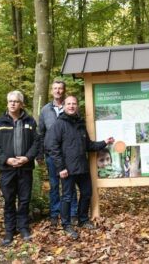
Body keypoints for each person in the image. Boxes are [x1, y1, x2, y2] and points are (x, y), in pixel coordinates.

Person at [45, 95, 114, 239]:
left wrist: (104, 142)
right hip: (67, 169)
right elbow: (51, 146)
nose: (71, 106)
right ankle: (66, 224)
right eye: (68, 104)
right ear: (64, 106)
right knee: (67, 197)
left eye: (74, 104)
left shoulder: (80, 124)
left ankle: (83, 220)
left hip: (82, 167)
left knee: (87, 193)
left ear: (77, 106)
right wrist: (60, 167)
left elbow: (88, 145)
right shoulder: (59, 124)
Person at [0, 90, 40, 246]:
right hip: (7, 169)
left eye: (16, 101)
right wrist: (6, 160)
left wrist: (27, 158)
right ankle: (10, 231)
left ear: (21, 104)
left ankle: (23, 228)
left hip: (25, 168)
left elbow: (37, 142)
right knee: (9, 200)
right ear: (7, 103)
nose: (12, 103)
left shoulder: (30, 121)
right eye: (10, 101)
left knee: (24, 200)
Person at [38, 79, 78, 227]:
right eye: (55, 88)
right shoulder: (45, 110)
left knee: (70, 185)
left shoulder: (70, 108)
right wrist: (40, 154)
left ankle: (72, 213)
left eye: (60, 88)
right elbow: (40, 133)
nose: (58, 91)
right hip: (51, 155)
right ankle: (55, 214)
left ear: (64, 90)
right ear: (51, 91)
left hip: (69, 155)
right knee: (54, 186)